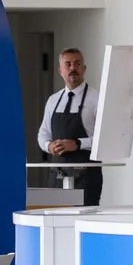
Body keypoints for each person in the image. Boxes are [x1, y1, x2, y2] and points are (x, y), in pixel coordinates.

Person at [38, 47, 102, 207]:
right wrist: (49, 145)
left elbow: (106, 138)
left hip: (86, 176)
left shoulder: (97, 99)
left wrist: (78, 143)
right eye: (68, 64)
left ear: (84, 69)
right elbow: (43, 133)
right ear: (60, 70)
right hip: (57, 174)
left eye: (77, 64)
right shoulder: (53, 100)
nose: (73, 68)